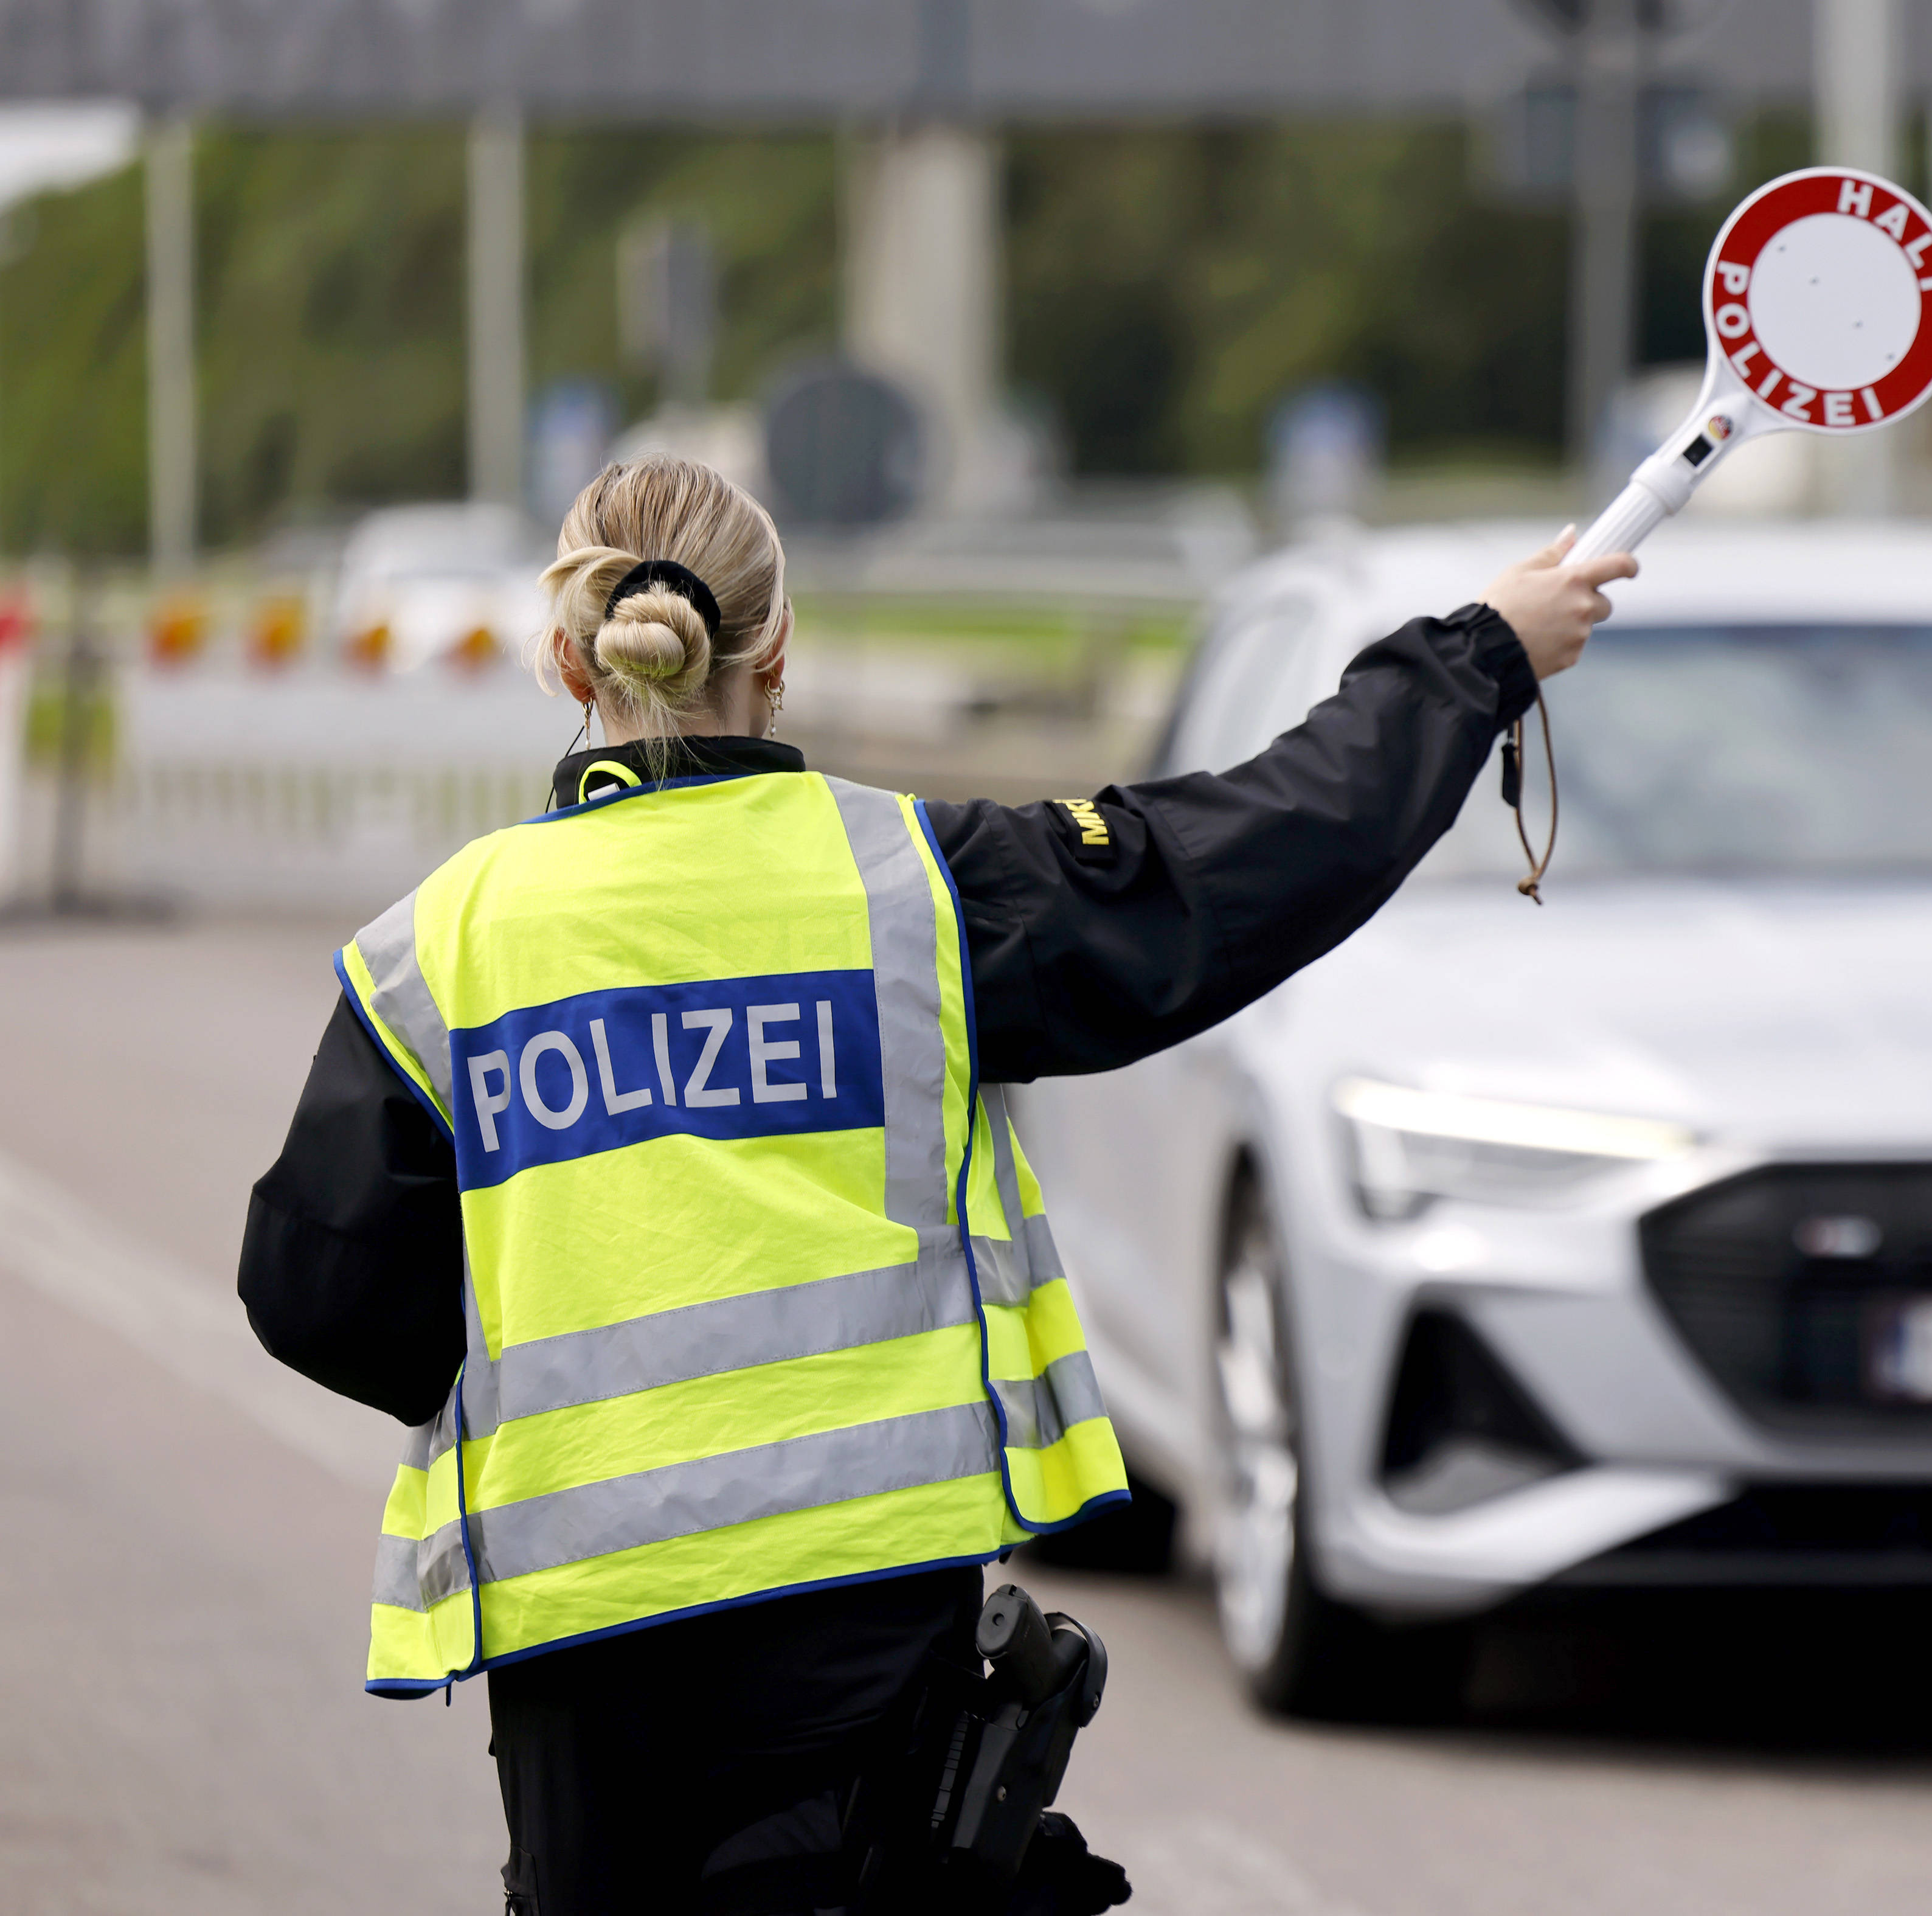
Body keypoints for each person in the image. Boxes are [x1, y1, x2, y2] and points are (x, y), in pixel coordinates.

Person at [237, 453, 1633, 1915]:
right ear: (775, 651)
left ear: (563, 657)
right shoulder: (919, 885)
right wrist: (1476, 658)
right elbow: (1244, 861)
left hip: (579, 1639)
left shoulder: (441, 947)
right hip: (857, 1603)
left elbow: (320, 1295)